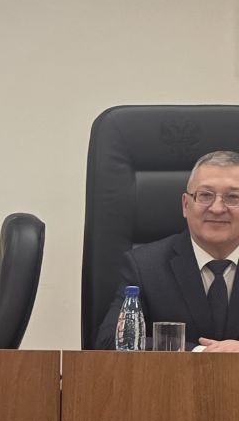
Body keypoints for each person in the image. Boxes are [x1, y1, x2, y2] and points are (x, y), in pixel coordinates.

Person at [95, 150, 239, 351]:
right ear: (186, 205)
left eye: (233, 197)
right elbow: (110, 341)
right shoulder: (144, 267)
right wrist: (200, 353)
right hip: (173, 373)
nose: (217, 208)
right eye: (205, 195)